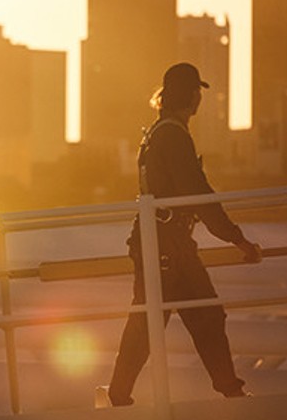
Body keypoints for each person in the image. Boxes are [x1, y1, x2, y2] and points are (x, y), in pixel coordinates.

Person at [107, 63, 263, 406]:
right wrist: (237, 239)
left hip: (163, 240)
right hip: (168, 244)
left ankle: (229, 390)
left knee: (190, 315)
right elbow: (198, 193)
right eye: (198, 92)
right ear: (191, 95)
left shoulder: (158, 132)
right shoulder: (174, 136)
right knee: (163, 320)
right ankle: (229, 392)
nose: (199, 99)